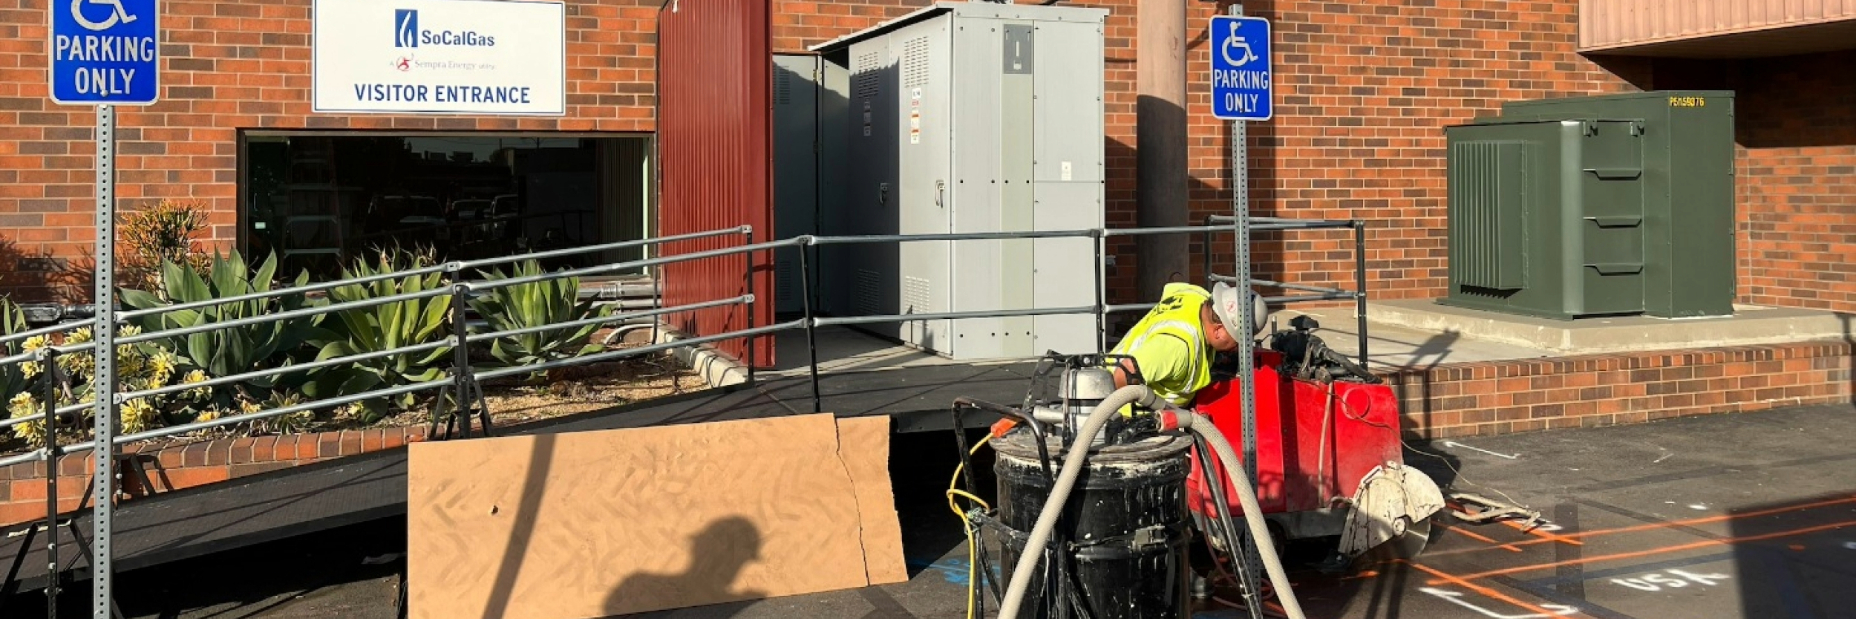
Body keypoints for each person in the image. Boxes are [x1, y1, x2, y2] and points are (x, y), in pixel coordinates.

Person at [1108, 281, 1267, 409]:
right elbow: (1125, 372)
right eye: (1237, 340)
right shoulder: (1178, 347)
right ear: (1218, 331)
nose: (1238, 348)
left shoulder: (1196, 296)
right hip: (1127, 420)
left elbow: (1172, 288)